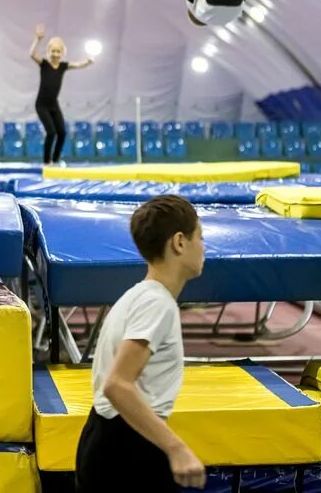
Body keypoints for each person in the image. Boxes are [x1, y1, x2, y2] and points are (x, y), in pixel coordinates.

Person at [76, 195, 207, 492]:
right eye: (200, 237)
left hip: (108, 437)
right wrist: (177, 448)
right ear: (179, 243)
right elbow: (118, 384)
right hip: (125, 447)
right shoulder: (156, 303)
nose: (204, 247)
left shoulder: (137, 296)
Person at [29, 24, 94, 165]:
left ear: (62, 53)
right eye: (53, 51)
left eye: (58, 52)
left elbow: (77, 65)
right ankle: (46, 162)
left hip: (54, 105)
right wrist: (38, 39)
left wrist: (88, 62)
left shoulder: (63, 66)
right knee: (51, 132)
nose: (55, 54)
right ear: (48, 52)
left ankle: (55, 160)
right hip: (41, 105)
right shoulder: (44, 64)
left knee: (62, 133)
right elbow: (32, 54)